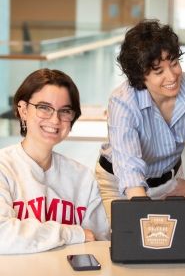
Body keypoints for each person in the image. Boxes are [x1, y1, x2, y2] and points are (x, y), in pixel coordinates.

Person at [96, 19, 185, 221]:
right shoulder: (123, 102)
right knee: (130, 245)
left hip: (168, 181)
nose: (172, 76)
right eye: (158, 71)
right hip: (120, 184)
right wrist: (142, 215)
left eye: (174, 63)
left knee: (175, 245)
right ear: (140, 76)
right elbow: (130, 168)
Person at [0, 68, 109, 254]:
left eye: (65, 111)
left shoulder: (82, 178)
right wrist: (72, 234)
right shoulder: (4, 168)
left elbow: (98, 242)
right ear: (23, 110)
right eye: (44, 108)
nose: (55, 119)